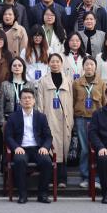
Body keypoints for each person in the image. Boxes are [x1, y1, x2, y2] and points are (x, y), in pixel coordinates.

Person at [4, 89, 54, 204]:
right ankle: (22, 195)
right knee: (20, 161)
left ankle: (42, 194)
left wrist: (45, 147)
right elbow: (8, 137)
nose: (27, 100)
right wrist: (16, 147)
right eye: (24, 98)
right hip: (21, 148)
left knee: (46, 162)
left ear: (34, 101)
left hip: (37, 148)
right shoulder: (13, 117)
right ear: (20, 101)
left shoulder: (41, 117)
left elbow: (48, 136)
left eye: (29, 98)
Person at [35, 53, 73, 188]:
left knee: (63, 148)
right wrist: (41, 120)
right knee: (51, 147)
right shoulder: (43, 81)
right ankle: (51, 178)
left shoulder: (68, 80)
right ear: (48, 63)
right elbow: (39, 103)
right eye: (52, 61)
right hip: (49, 118)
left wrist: (70, 120)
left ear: (61, 63)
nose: (55, 64)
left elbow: (71, 100)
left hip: (64, 119)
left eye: (57, 61)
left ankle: (62, 179)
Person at [72, 57, 105, 189]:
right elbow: (73, 101)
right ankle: (85, 176)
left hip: (97, 119)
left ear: (95, 67)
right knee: (85, 149)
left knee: (97, 147)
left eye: (91, 64)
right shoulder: (76, 83)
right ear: (83, 66)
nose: (89, 67)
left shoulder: (101, 83)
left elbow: (104, 102)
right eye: (86, 64)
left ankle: (97, 178)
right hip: (81, 118)